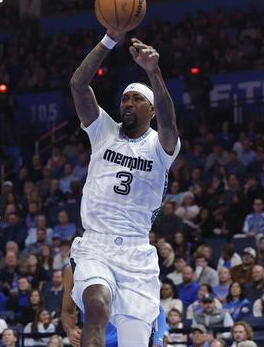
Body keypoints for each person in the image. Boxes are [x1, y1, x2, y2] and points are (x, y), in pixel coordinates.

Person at [69, 32, 180, 347]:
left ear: (152, 110)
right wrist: (109, 39)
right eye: (125, 99)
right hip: (96, 245)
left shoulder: (160, 145)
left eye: (137, 99)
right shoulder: (103, 130)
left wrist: (153, 72)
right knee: (97, 307)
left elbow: (169, 122)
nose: (128, 103)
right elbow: (78, 84)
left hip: (136, 253)